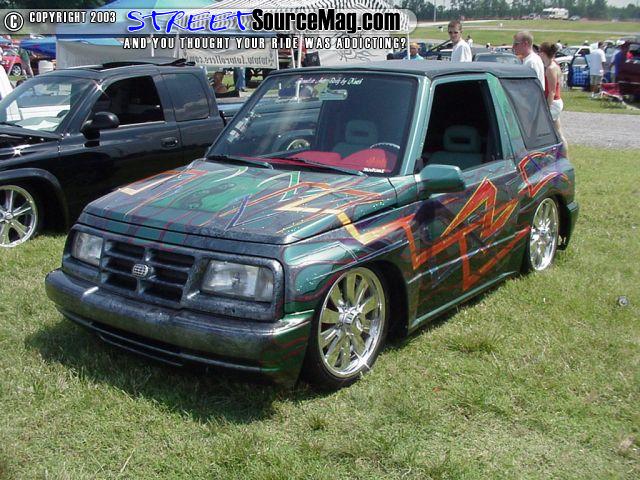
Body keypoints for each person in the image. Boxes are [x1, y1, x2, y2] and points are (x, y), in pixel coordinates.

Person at [539, 42, 568, 153]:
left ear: (543, 53)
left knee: (547, 132)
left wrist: (547, 108)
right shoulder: (553, 64)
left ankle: (559, 154)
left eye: (539, 51)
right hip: (555, 102)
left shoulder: (551, 68)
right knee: (558, 132)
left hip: (553, 103)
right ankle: (563, 155)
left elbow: (551, 91)